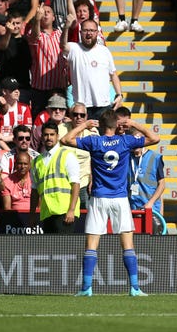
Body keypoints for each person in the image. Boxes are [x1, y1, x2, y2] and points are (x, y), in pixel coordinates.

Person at [60, 109, 159, 296]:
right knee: (128, 245)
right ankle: (135, 288)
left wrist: (84, 125)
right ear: (116, 125)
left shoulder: (94, 141)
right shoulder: (125, 141)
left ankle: (86, 288)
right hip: (120, 198)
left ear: (101, 125)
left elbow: (65, 140)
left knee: (91, 245)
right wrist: (134, 124)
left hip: (98, 197)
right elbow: (154, 139)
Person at [61, 16, 123, 120]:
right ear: (80, 32)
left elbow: (113, 74)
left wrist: (119, 95)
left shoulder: (104, 51)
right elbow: (63, 45)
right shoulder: (74, 48)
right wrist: (66, 27)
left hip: (104, 106)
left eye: (92, 30)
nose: (89, 33)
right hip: (82, 108)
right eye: (85, 30)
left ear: (97, 32)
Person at [30, 121, 80, 233]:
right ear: (42, 137)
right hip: (47, 213)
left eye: (52, 135)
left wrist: (71, 210)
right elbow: (34, 191)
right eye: (46, 135)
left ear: (57, 136)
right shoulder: (36, 162)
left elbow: (75, 184)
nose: (49, 138)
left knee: (64, 249)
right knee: (50, 250)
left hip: (64, 212)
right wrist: (32, 215)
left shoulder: (67, 155)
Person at [58, 102, 98, 211]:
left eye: (82, 115)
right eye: (75, 114)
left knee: (84, 213)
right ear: (70, 116)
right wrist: (83, 126)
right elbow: (63, 141)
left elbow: (96, 158)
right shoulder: (61, 129)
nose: (78, 117)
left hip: (83, 180)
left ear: (86, 117)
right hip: (64, 180)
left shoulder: (92, 133)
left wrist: (93, 179)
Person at [127, 127, 165, 223]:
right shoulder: (127, 157)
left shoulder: (155, 157)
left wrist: (151, 203)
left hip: (151, 208)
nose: (136, 143)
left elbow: (162, 185)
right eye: (133, 141)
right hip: (133, 208)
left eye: (139, 140)